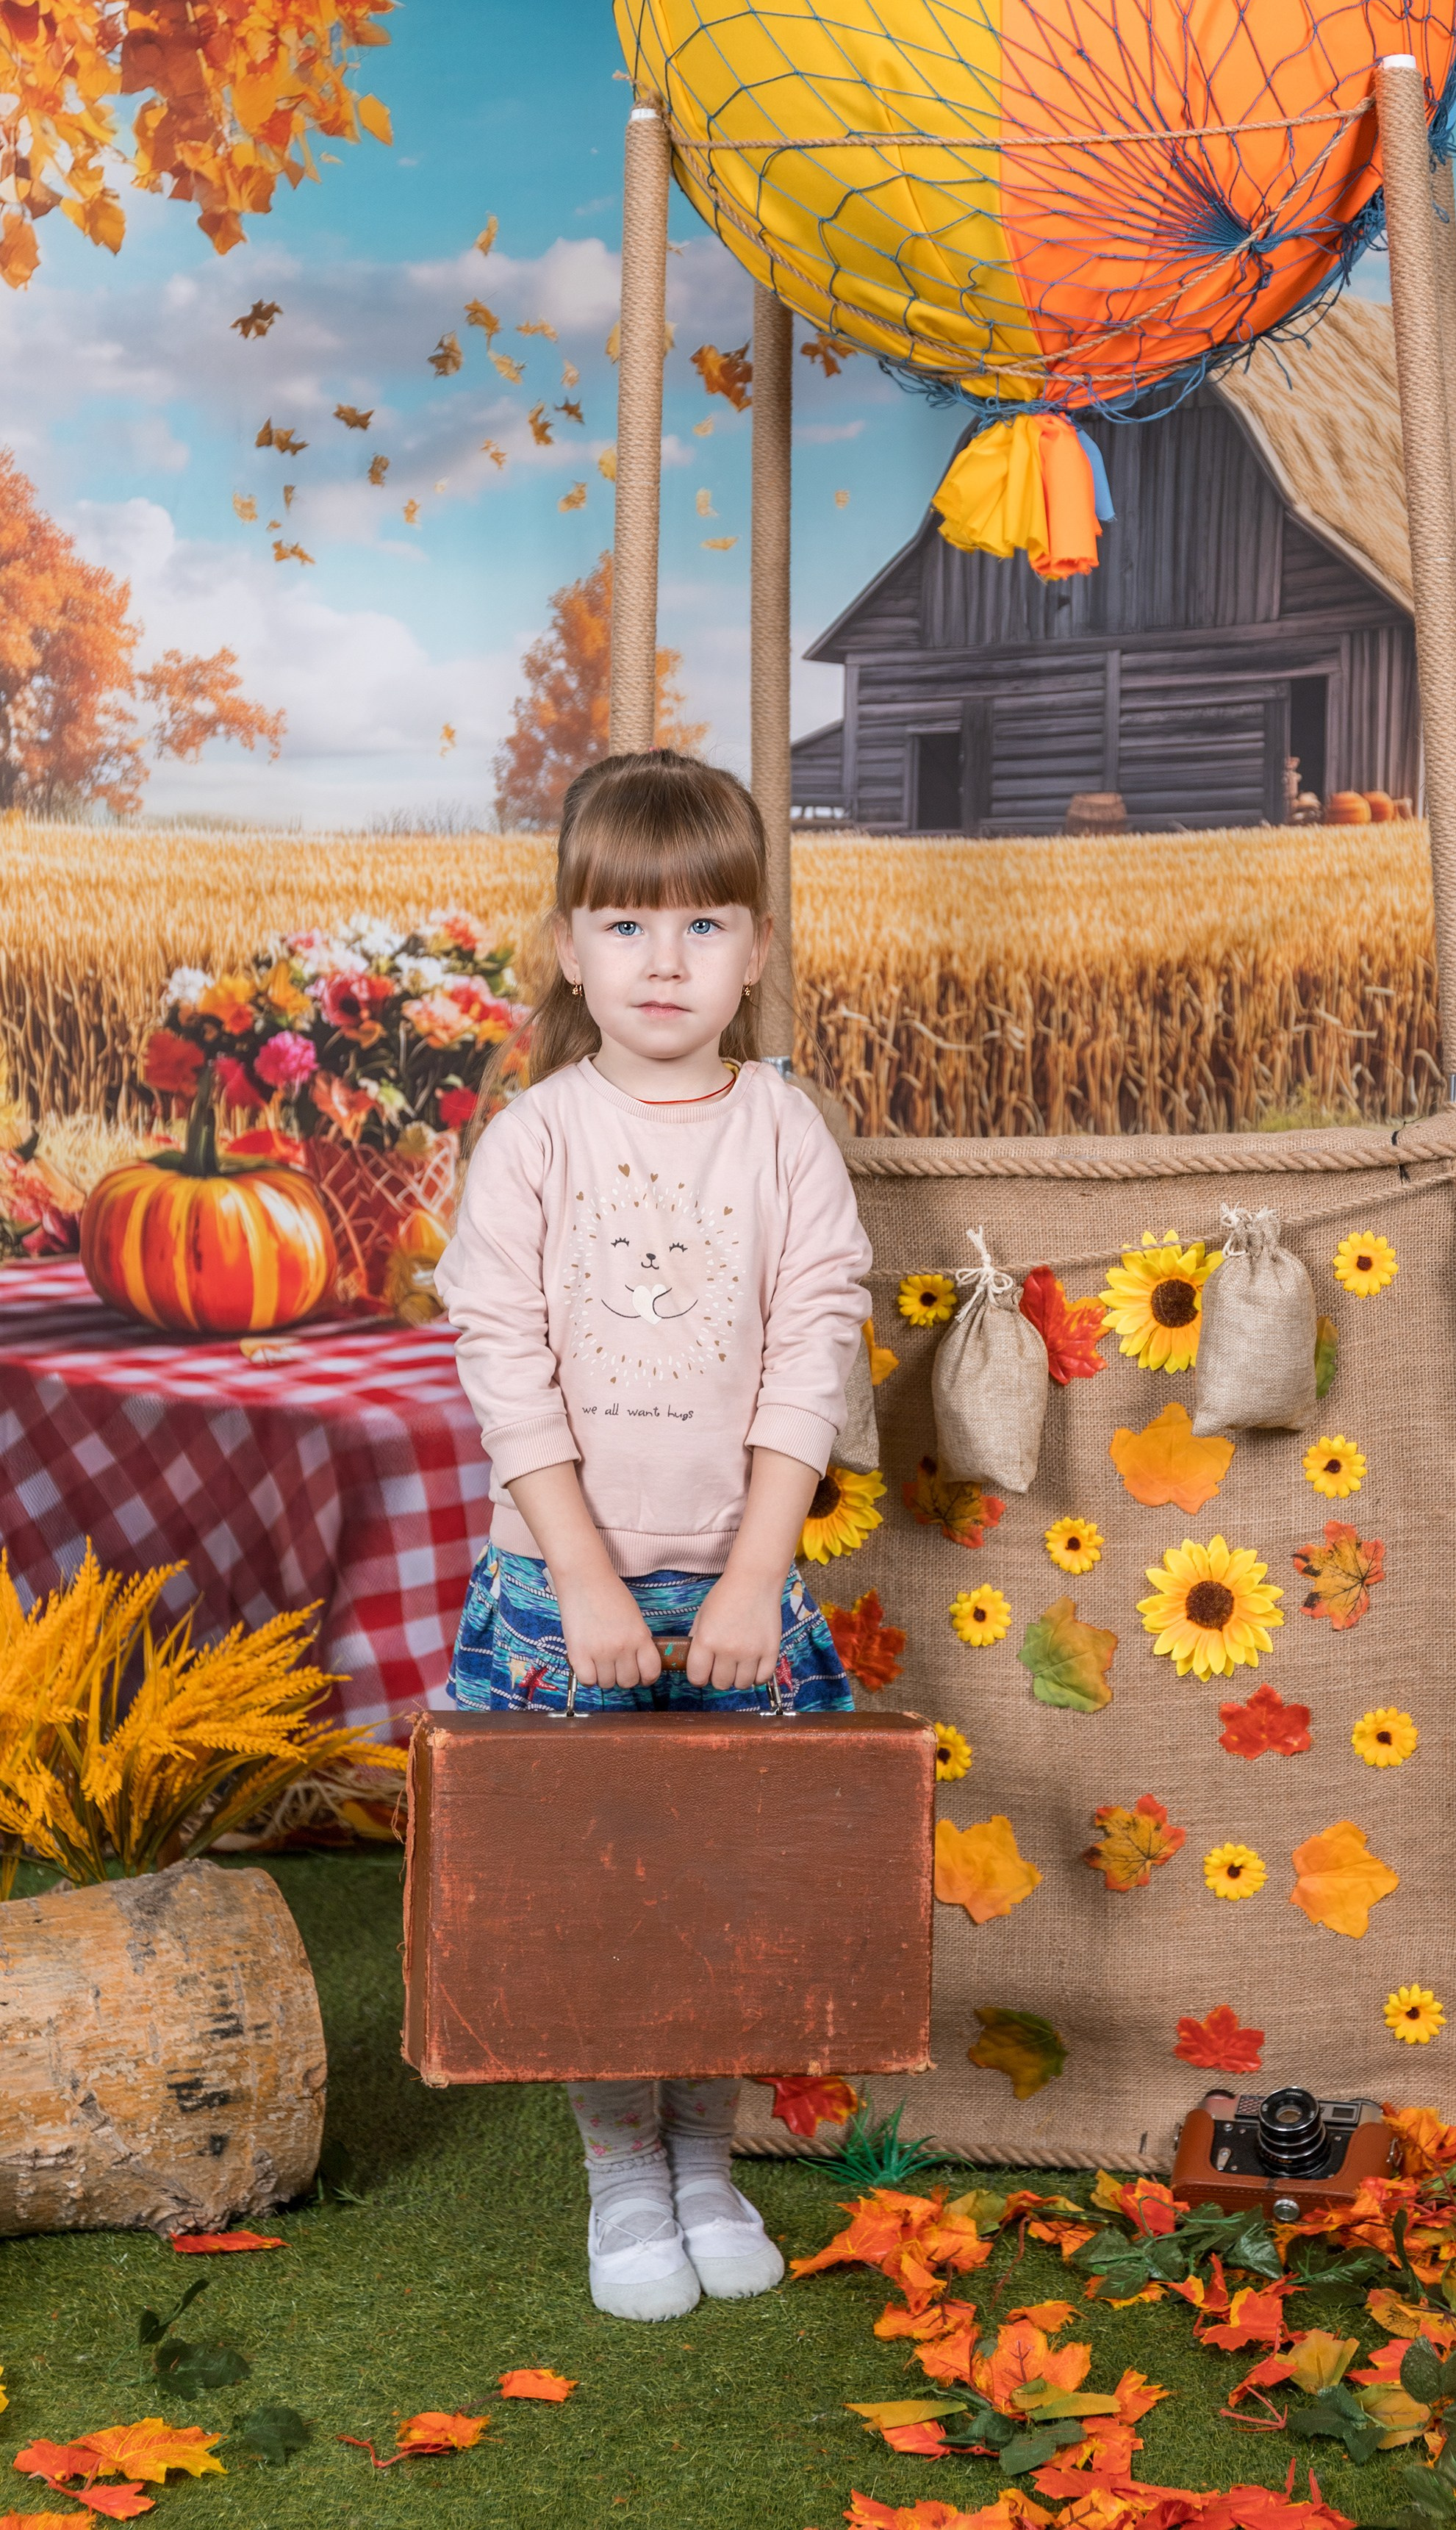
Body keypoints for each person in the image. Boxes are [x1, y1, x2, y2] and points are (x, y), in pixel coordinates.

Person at [435, 749, 871, 2323]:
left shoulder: (780, 1130)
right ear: (567, 948)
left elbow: (812, 1340)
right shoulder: (536, 1138)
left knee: (729, 1892)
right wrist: (578, 1570)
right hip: (565, 1594)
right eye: (626, 927)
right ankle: (622, 2165)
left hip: (735, 1579)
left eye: (702, 925)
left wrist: (757, 1569)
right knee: (603, 1892)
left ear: (755, 949)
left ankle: (706, 2152)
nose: (665, 960)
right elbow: (500, 1354)